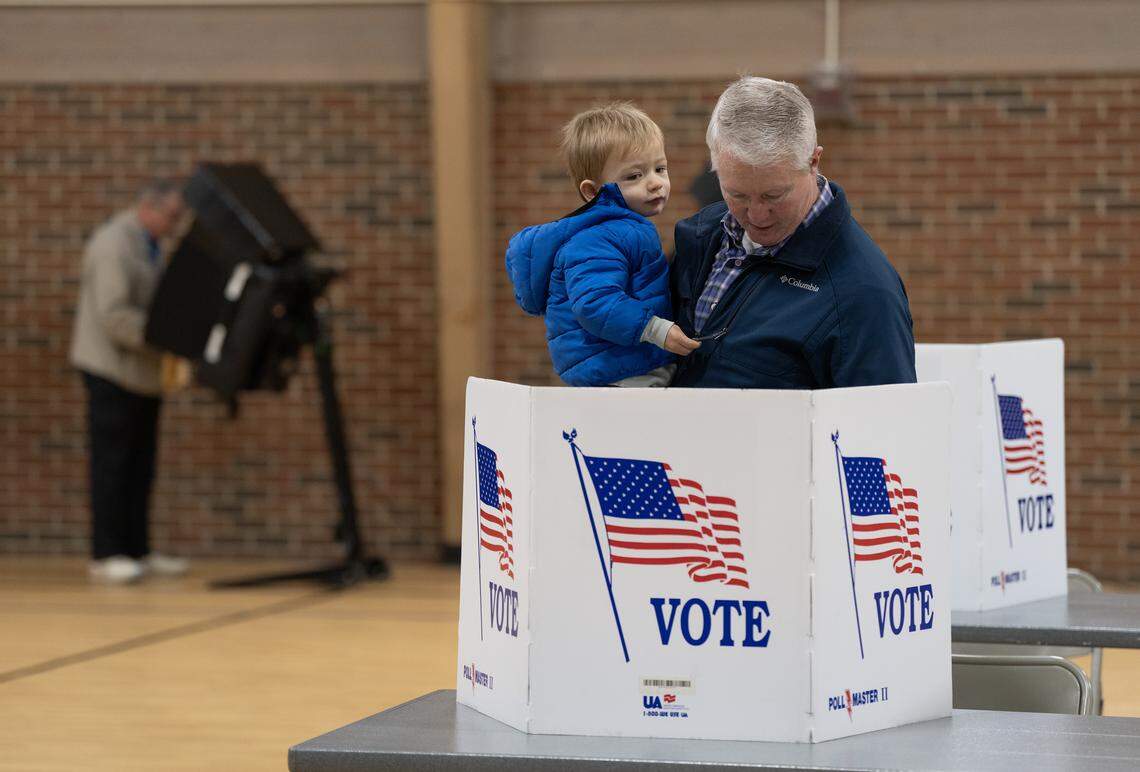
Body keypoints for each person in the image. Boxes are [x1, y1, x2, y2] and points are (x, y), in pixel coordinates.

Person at [670, 77, 916, 389]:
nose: (756, 214)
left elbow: (885, 429)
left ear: (814, 161)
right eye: (737, 195)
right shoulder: (699, 240)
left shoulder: (864, 293)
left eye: (774, 195)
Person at [505, 102, 700, 387]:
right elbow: (594, 303)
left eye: (660, 168)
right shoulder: (599, 239)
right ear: (593, 191)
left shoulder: (625, 229)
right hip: (617, 371)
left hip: (626, 363)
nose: (655, 183)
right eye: (635, 176)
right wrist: (657, 329)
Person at [70, 179, 189, 583]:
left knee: (140, 465)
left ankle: (138, 549)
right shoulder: (113, 244)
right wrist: (167, 338)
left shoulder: (148, 244)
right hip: (111, 371)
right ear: (149, 208)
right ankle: (106, 554)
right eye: (172, 215)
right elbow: (114, 315)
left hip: (141, 374)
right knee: (112, 465)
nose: (176, 223)